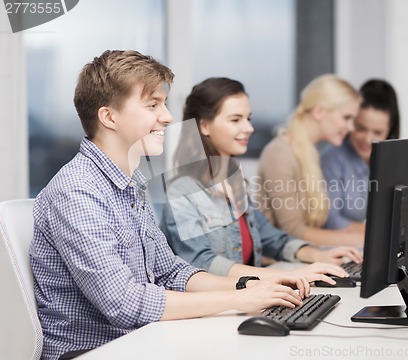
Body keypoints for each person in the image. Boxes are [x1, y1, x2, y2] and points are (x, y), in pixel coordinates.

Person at [29, 50, 311, 360]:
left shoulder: (131, 183)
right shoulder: (78, 191)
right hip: (94, 351)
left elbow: (171, 271)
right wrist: (237, 299)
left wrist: (251, 286)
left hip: (140, 341)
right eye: (152, 105)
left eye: (163, 104)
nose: (167, 116)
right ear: (109, 117)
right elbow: (125, 303)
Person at [158, 77, 362, 283]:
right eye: (236, 120)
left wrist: (320, 256)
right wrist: (285, 276)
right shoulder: (182, 192)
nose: (249, 128)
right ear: (204, 126)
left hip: (247, 300)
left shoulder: (235, 184)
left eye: (248, 118)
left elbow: (274, 239)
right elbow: (202, 262)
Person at [256, 74, 365, 247]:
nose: (351, 127)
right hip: (277, 265)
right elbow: (294, 231)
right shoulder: (279, 154)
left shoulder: (310, 154)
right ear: (319, 111)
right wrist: (366, 241)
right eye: (346, 118)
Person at [320, 79, 400, 229]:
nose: (368, 139)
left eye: (378, 132)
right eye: (361, 128)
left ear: (390, 131)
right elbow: (330, 220)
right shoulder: (331, 159)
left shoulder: (385, 160)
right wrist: (380, 231)